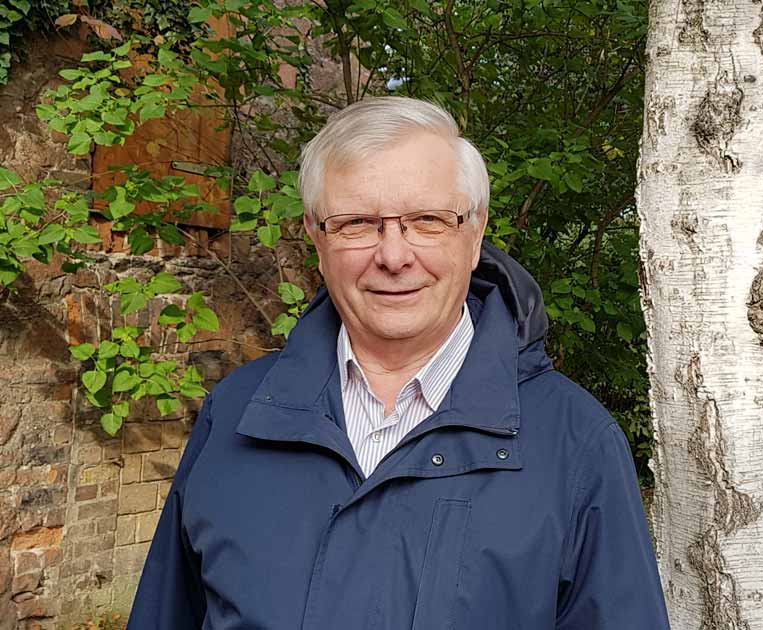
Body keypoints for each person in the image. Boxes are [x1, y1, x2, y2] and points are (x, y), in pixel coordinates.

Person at [127, 97, 670, 629]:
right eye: (358, 223)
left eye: (427, 220)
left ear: (474, 233)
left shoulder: (575, 442)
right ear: (317, 239)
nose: (393, 256)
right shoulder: (235, 414)